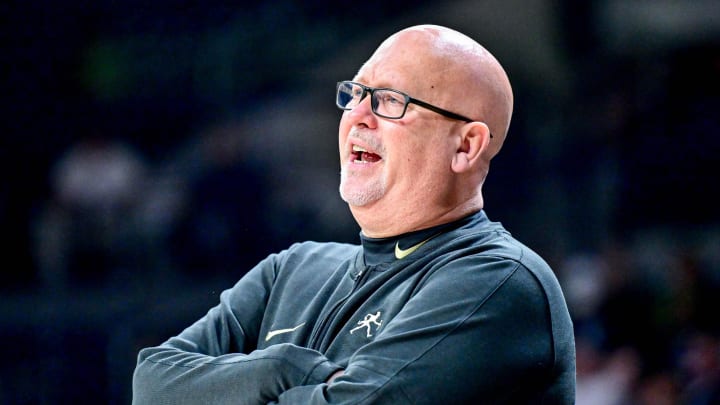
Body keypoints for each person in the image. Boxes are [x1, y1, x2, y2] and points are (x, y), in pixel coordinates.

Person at [132, 24, 576, 404]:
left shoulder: (497, 281)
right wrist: (284, 367)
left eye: (389, 100)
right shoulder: (290, 270)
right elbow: (152, 385)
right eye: (356, 93)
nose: (357, 116)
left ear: (465, 146)